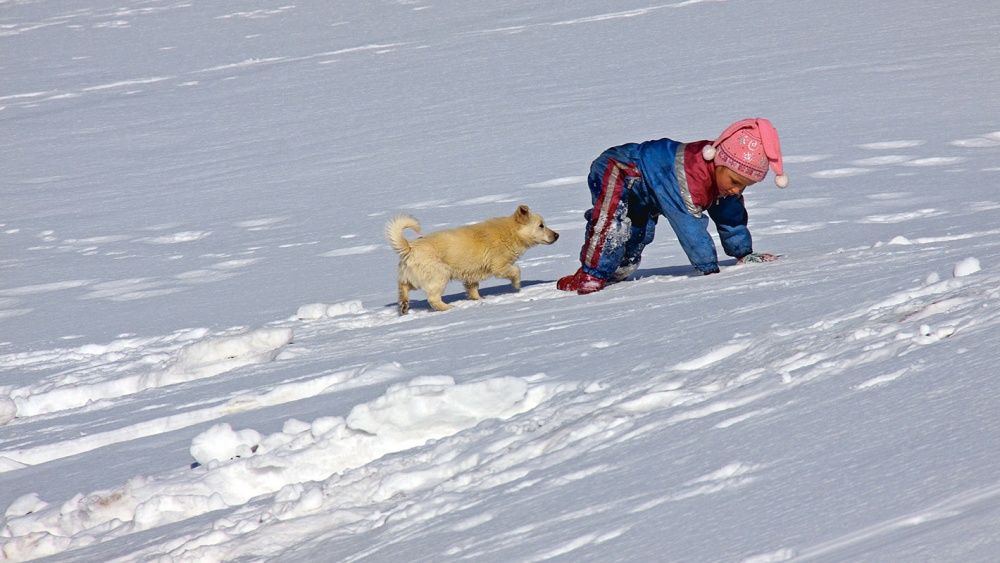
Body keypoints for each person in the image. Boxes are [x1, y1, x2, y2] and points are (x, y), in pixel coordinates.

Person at [557, 118, 788, 294]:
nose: (737, 189)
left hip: (650, 187)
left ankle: (613, 272)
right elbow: (688, 225)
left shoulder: (724, 181)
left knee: (638, 234)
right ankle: (591, 274)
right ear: (719, 163)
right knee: (611, 222)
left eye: (744, 186)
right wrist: (709, 269)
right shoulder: (691, 177)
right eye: (736, 182)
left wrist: (743, 254)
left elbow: (731, 217)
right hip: (619, 168)